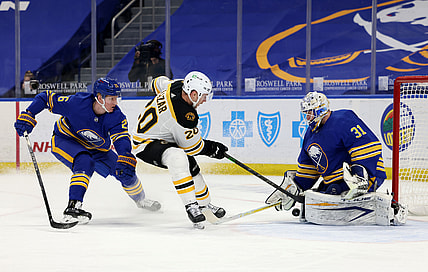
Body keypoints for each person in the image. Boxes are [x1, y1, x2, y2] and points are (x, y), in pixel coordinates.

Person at [14, 78, 161, 224]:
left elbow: (121, 138)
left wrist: (125, 155)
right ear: (99, 97)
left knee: (125, 173)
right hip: (66, 140)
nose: (115, 103)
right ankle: (73, 208)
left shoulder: (116, 116)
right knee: (84, 162)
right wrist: (29, 113)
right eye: (111, 98)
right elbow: (45, 98)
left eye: (116, 98)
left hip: (97, 148)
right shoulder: (77, 103)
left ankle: (141, 200)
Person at [266, 92, 408, 225]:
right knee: (320, 193)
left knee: (333, 191)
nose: (308, 117)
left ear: (321, 110)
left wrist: (360, 176)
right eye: (306, 113)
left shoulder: (343, 119)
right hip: (337, 182)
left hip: (366, 177)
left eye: (310, 112)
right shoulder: (310, 135)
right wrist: (292, 190)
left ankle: (389, 207)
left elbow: (368, 145)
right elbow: (308, 170)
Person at [131, 71, 228, 227]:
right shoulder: (184, 114)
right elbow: (193, 147)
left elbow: (157, 82)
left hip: (164, 136)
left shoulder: (177, 85)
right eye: (203, 96)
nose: (204, 100)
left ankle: (205, 205)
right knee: (178, 158)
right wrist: (212, 148)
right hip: (145, 143)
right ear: (194, 94)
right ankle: (192, 206)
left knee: (192, 167)